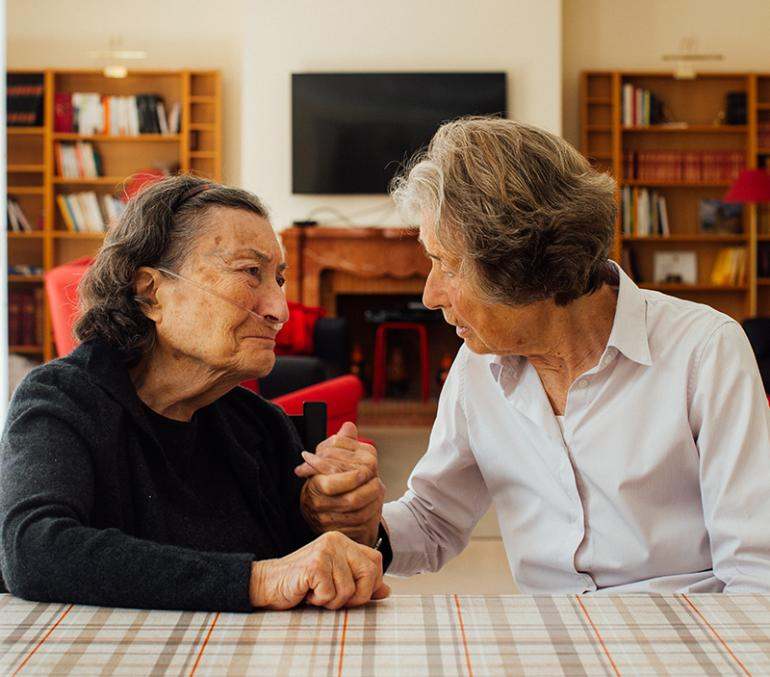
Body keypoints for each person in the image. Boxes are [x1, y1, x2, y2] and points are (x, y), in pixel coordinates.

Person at [298, 117, 770, 593]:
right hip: (550, 639)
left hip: (682, 636)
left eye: (446, 265)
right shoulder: (476, 367)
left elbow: (755, 571)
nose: (430, 295)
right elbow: (432, 519)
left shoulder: (705, 351)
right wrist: (363, 523)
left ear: (522, 263)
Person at [0, 175, 388, 611]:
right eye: (249, 273)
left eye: (277, 279)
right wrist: (256, 580)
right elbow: (34, 551)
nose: (278, 309)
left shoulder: (261, 427)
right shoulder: (62, 400)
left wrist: (347, 523)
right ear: (151, 294)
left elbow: (308, 566)